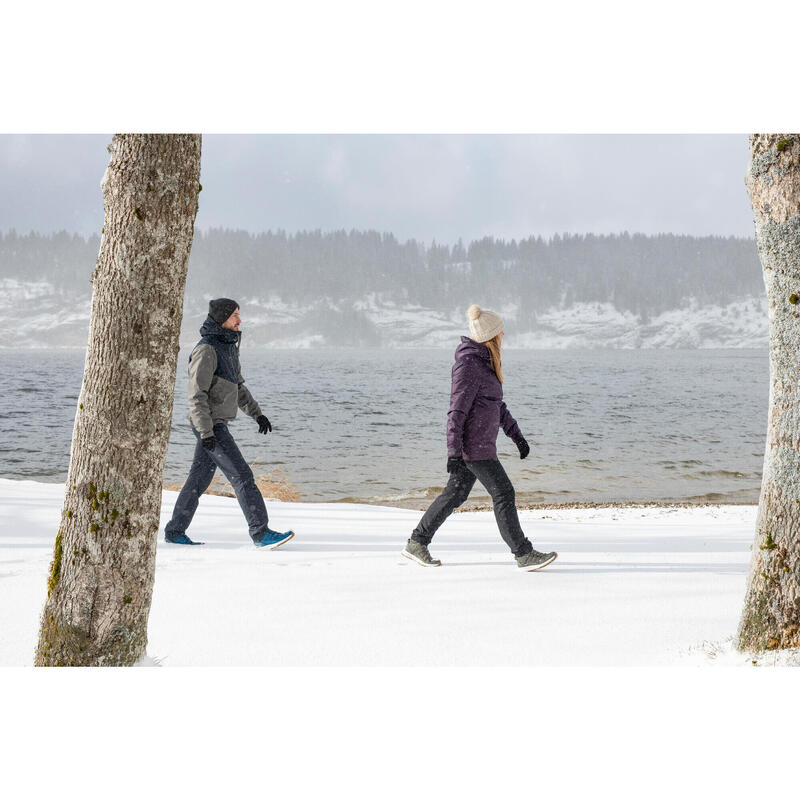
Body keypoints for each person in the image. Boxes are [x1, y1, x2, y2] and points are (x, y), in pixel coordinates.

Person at [402, 305, 557, 571]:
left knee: (455, 494)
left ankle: (417, 542)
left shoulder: (485, 362)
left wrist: (517, 436)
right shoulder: (468, 364)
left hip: (481, 445)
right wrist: (453, 451)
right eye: (500, 332)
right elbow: (456, 410)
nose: (503, 335)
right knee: (504, 492)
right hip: (474, 448)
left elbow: (497, 406)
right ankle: (523, 553)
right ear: (491, 336)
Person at [164, 298, 294, 548]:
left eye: (239, 314)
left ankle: (175, 531)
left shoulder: (228, 346)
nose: (239, 319)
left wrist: (258, 414)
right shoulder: (206, 350)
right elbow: (196, 395)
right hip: (210, 425)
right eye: (235, 314)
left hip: (215, 423)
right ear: (222, 318)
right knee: (243, 476)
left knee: (198, 480)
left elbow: (238, 387)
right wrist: (206, 432)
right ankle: (260, 533)